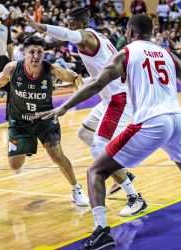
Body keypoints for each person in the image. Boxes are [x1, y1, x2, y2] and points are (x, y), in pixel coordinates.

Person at [40, 14, 181, 249]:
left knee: (95, 171)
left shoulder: (126, 53)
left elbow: (98, 83)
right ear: (151, 31)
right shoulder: (167, 54)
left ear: (129, 32)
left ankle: (102, 232)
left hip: (151, 121)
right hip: (176, 119)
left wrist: (65, 107)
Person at [26, 7, 147, 217]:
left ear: (80, 22)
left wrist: (41, 27)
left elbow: (68, 34)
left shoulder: (85, 37)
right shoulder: (97, 37)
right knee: (85, 134)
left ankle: (134, 197)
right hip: (111, 97)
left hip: (119, 100)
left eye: (70, 21)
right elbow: (105, 69)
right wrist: (88, 80)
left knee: (99, 148)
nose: (68, 24)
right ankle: (122, 172)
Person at [0, 36, 89, 207]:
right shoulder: (13, 68)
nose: (35, 56)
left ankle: (76, 189)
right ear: (25, 53)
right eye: (31, 52)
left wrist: (79, 86)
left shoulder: (51, 70)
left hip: (44, 120)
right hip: (20, 121)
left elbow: (73, 77)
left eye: (39, 52)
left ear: (44, 54)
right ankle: (26, 145)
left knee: (57, 155)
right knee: (15, 166)